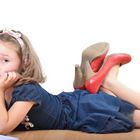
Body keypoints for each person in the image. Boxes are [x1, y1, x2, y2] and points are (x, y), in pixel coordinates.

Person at [0, 28, 137, 135]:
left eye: (5, 60)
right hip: (71, 104)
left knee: (133, 116)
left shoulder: (27, 90)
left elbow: (3, 127)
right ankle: (100, 86)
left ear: (25, 63)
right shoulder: (5, 88)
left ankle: (109, 82)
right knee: (111, 102)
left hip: (82, 112)